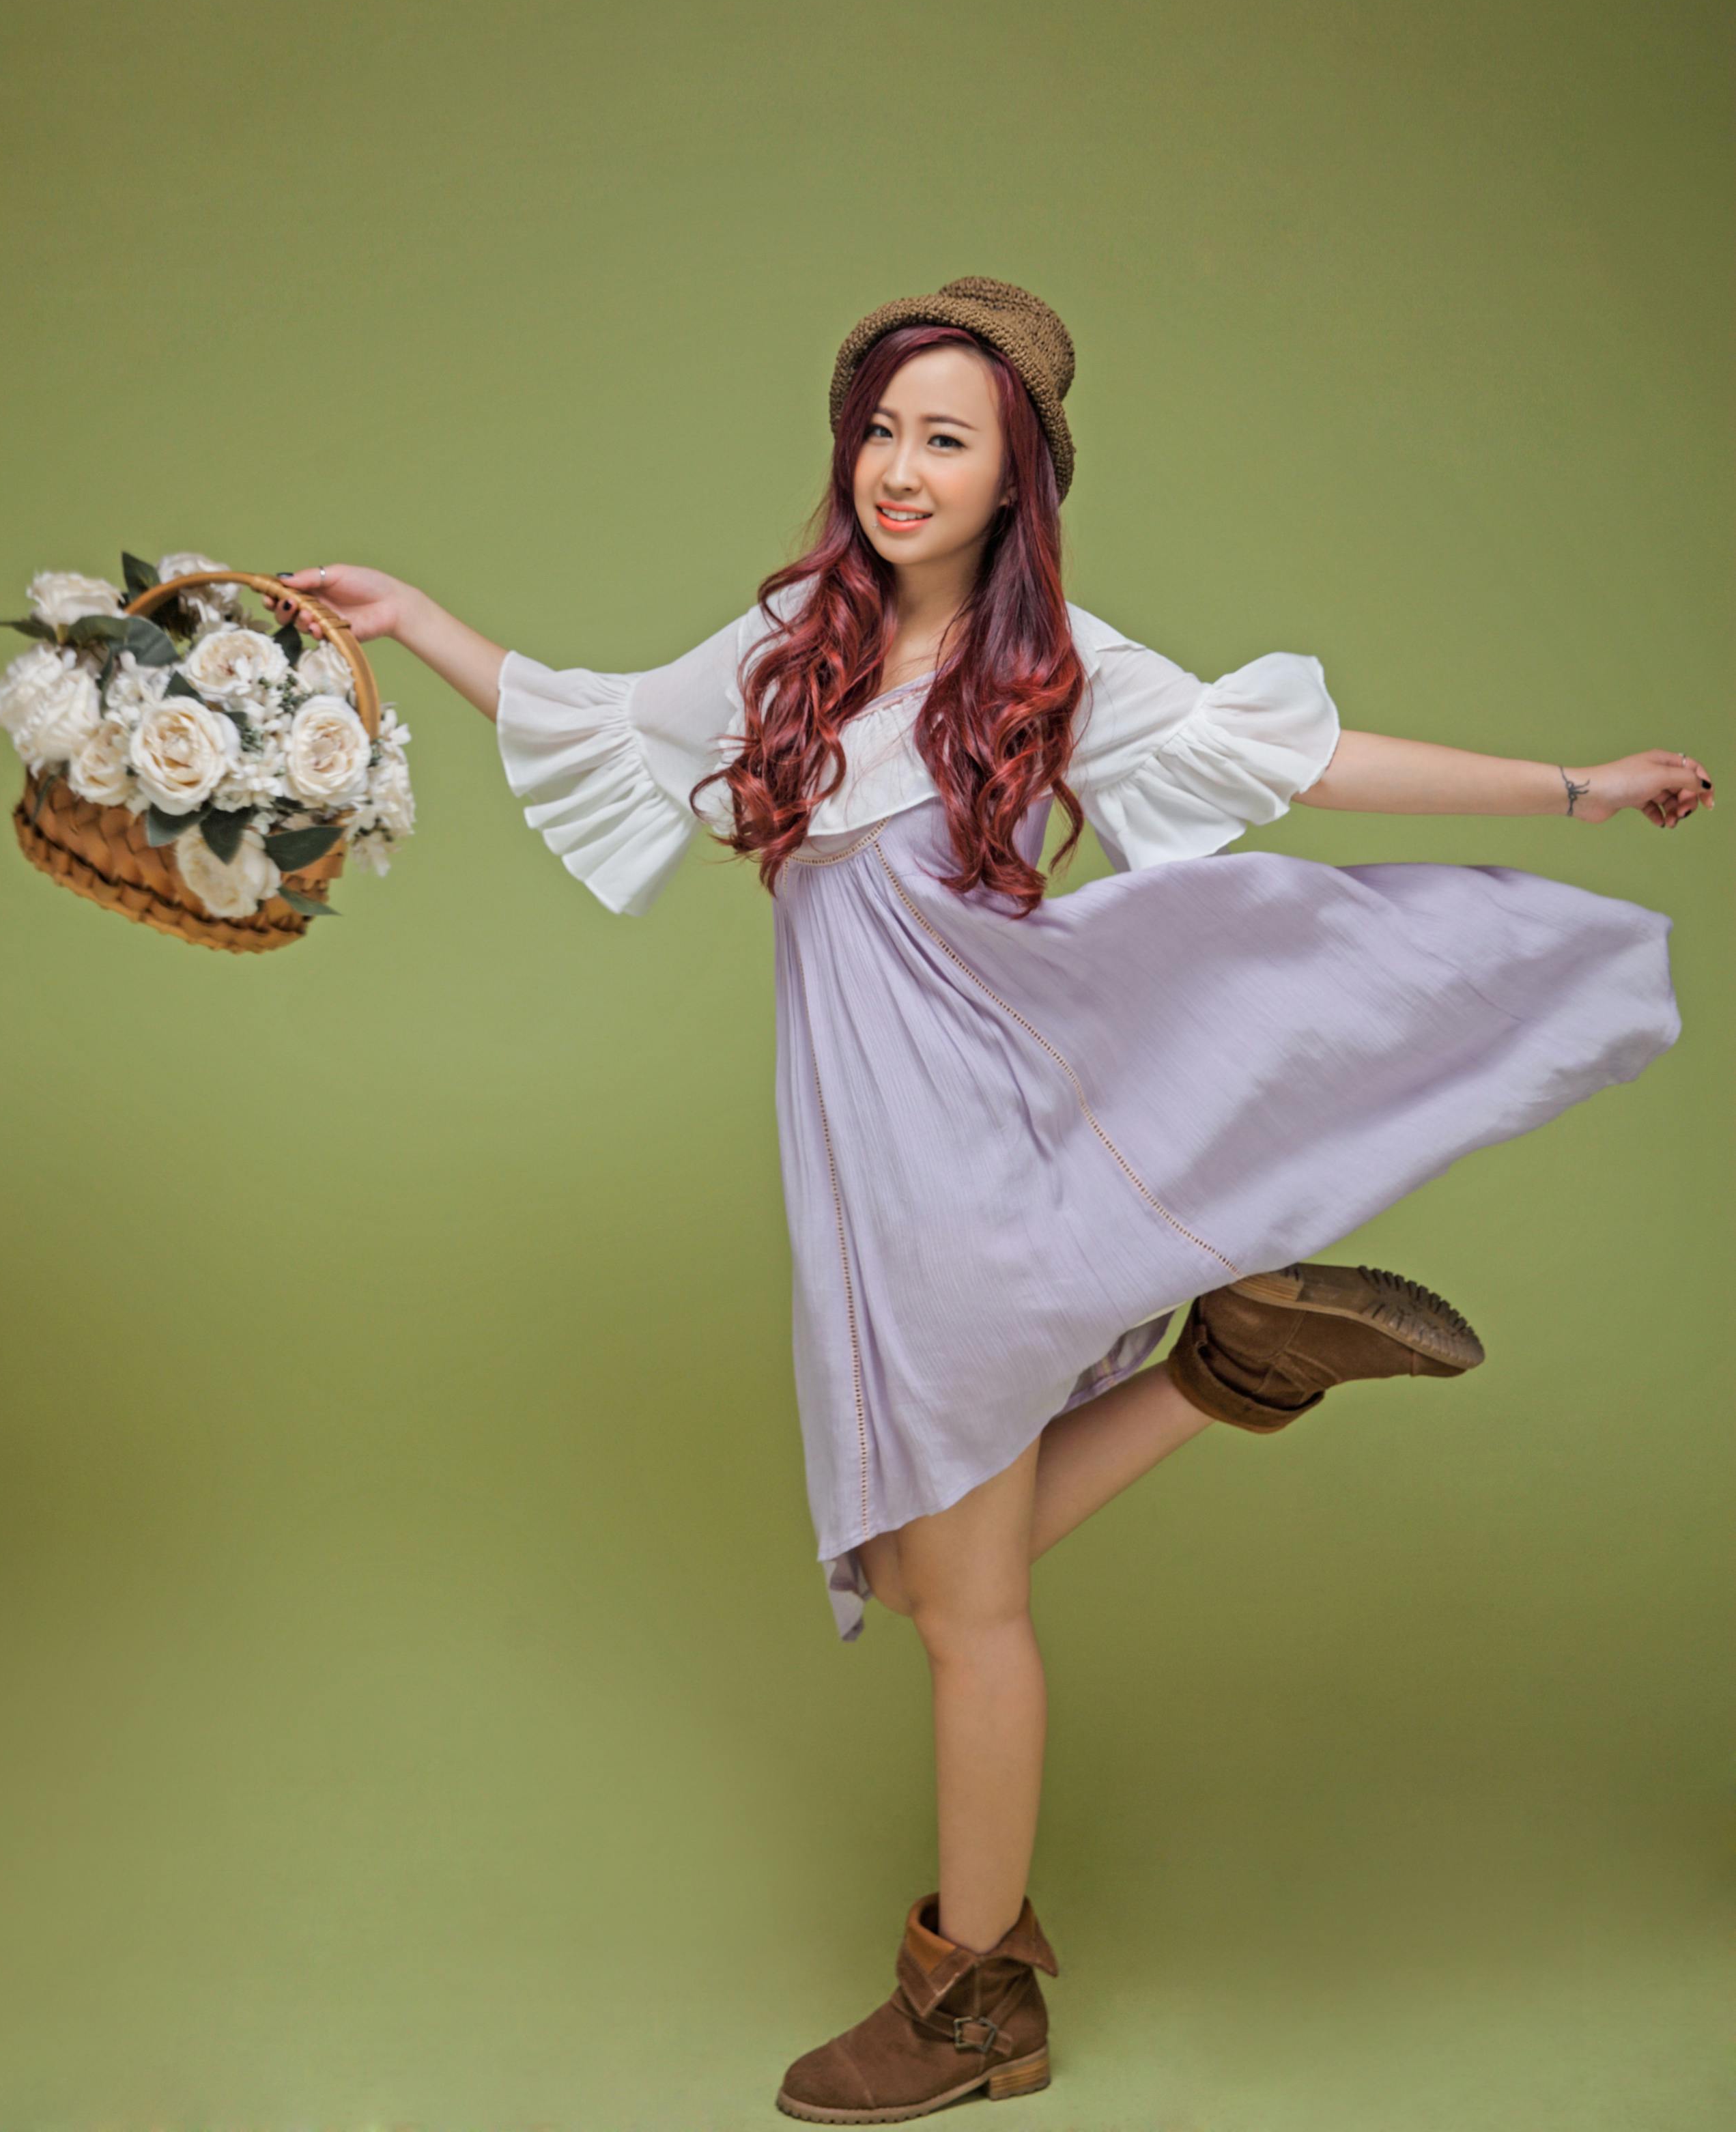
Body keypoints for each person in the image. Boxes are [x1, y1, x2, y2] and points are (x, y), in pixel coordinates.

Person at [287, 274, 1707, 2124]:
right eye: (880, 432)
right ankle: (1239, 1366)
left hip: (968, 1142)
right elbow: (611, 727)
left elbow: (1304, 764)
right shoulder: (798, 640)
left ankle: (973, 2001)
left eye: (943, 439)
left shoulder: (1057, 670)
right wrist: (419, 622)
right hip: (870, 1155)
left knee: (961, 1609)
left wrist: (1576, 789)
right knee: (921, 1567)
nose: (899, 469)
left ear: (1014, 473)